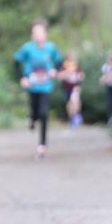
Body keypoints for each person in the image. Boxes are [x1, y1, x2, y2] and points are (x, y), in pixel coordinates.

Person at [14, 20, 62, 158]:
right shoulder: (27, 48)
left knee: (44, 113)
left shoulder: (51, 48)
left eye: (39, 32)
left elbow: (59, 62)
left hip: (45, 86)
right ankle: (32, 119)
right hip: (32, 86)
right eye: (34, 32)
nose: (36, 35)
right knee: (35, 113)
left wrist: (55, 70)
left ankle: (42, 144)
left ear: (46, 34)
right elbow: (16, 62)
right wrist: (22, 78)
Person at [58, 51, 85, 127]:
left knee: (75, 100)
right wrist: (67, 72)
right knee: (69, 103)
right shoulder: (64, 65)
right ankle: (72, 118)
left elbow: (82, 75)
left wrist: (80, 76)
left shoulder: (77, 65)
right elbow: (60, 76)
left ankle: (77, 115)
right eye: (70, 56)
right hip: (67, 87)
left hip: (75, 86)